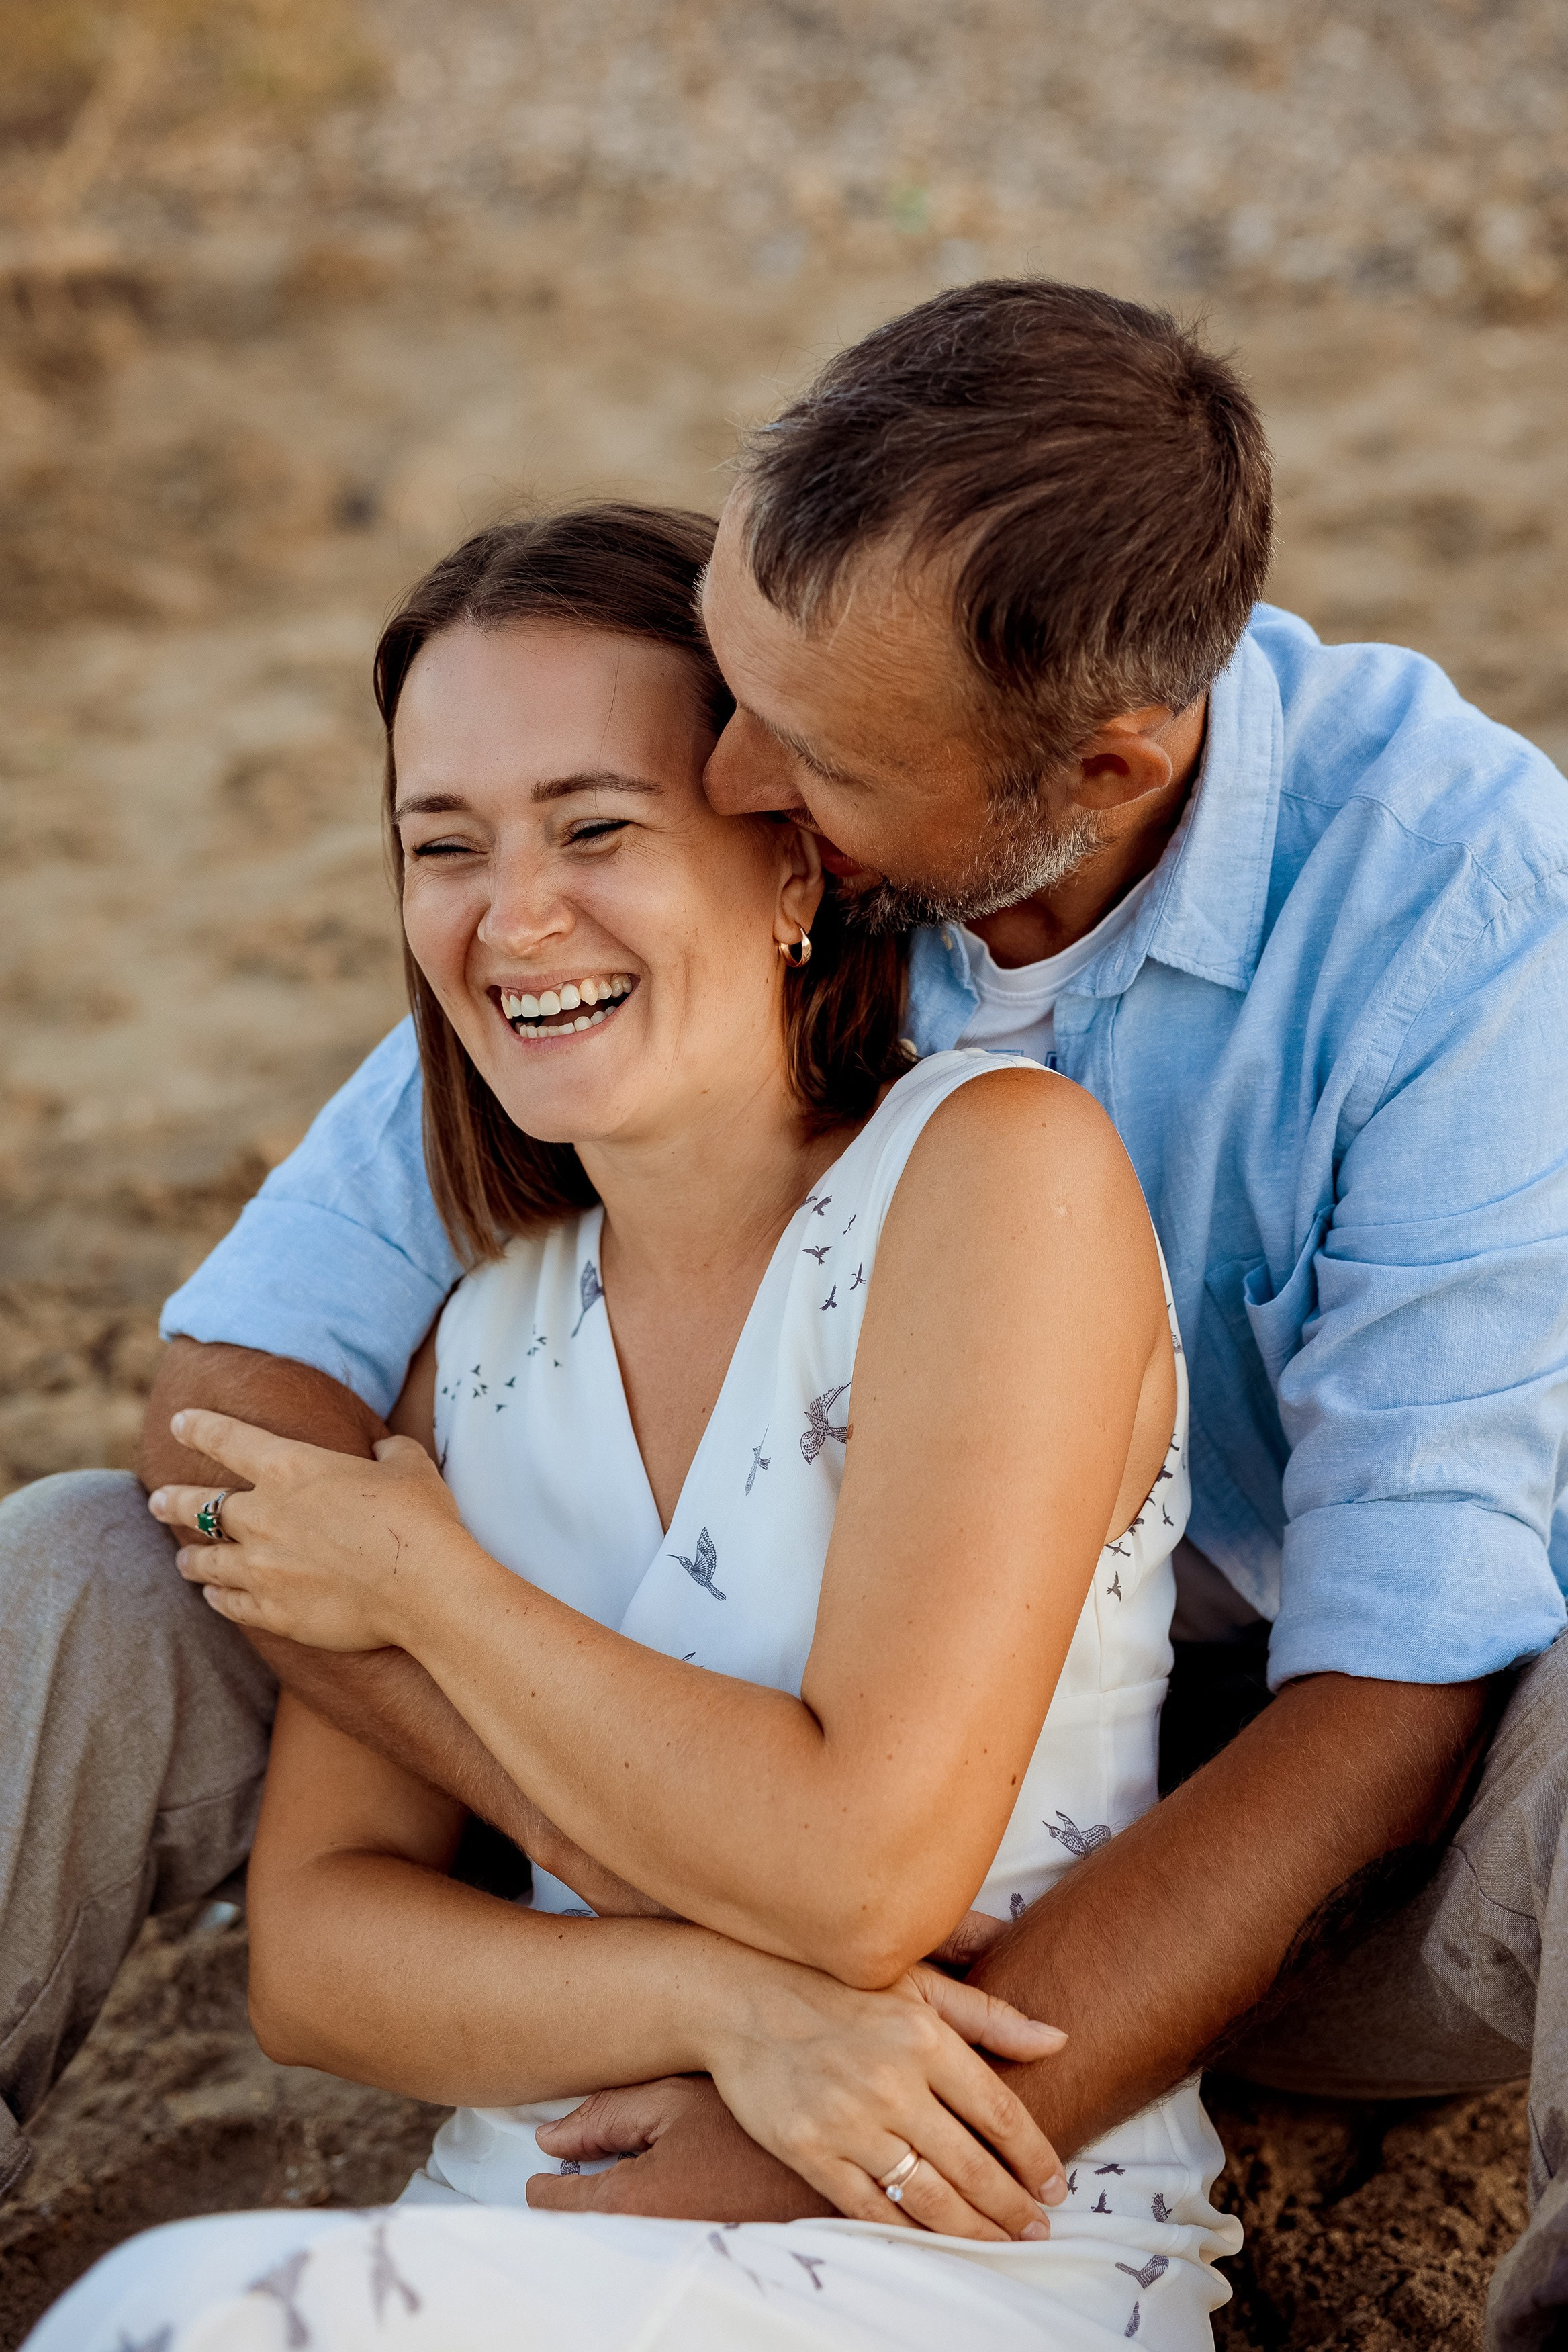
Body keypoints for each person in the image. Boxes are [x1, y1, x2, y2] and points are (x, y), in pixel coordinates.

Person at [3, 277, 1566, 2347]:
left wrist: (843, 2116)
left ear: (1093, 766)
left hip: (1271, 1839)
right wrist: (692, 1910)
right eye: (733, 679)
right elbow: (236, 1396)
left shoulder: (1467, 913)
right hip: (724, 1790)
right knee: (81, 1572)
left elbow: (1392, 1698)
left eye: (804, 755)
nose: (728, 762)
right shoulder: (683, 907)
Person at [23, 502, 1242, 2348]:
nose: (513, 919)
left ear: (792, 867)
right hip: (520, 2221)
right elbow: (325, 1959)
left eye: (598, 828)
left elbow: (865, 1874)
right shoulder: (480, 1329)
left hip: (945, 2241)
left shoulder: (995, 1181)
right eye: (447, 848)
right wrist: (722, 2005)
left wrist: (435, 1589)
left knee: (173, 2314)